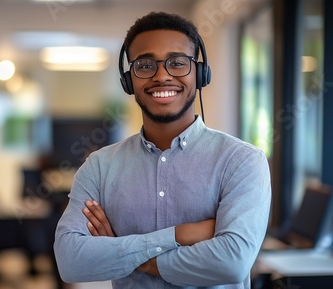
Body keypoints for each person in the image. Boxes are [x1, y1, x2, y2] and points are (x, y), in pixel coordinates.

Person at [53, 11, 271, 289]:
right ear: (129, 79)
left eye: (178, 63)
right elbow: (71, 262)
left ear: (200, 73)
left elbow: (232, 262)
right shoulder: (99, 166)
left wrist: (123, 251)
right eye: (145, 65)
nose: (162, 76)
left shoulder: (242, 161)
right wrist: (181, 235)